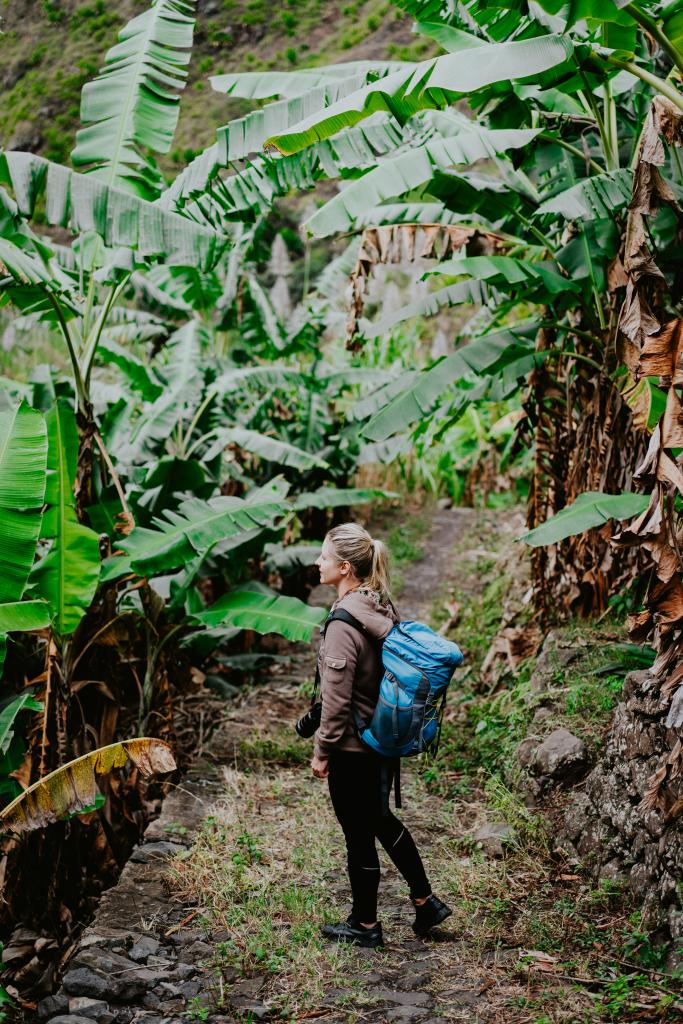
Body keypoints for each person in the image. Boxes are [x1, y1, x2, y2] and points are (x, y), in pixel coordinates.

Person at [311, 522, 452, 948]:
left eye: (324, 557)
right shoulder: (378, 606)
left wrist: (322, 751)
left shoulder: (342, 624)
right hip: (381, 737)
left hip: (354, 746)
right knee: (380, 820)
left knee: (358, 833)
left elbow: (336, 705)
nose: (317, 563)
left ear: (345, 567)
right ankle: (426, 902)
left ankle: (366, 926)